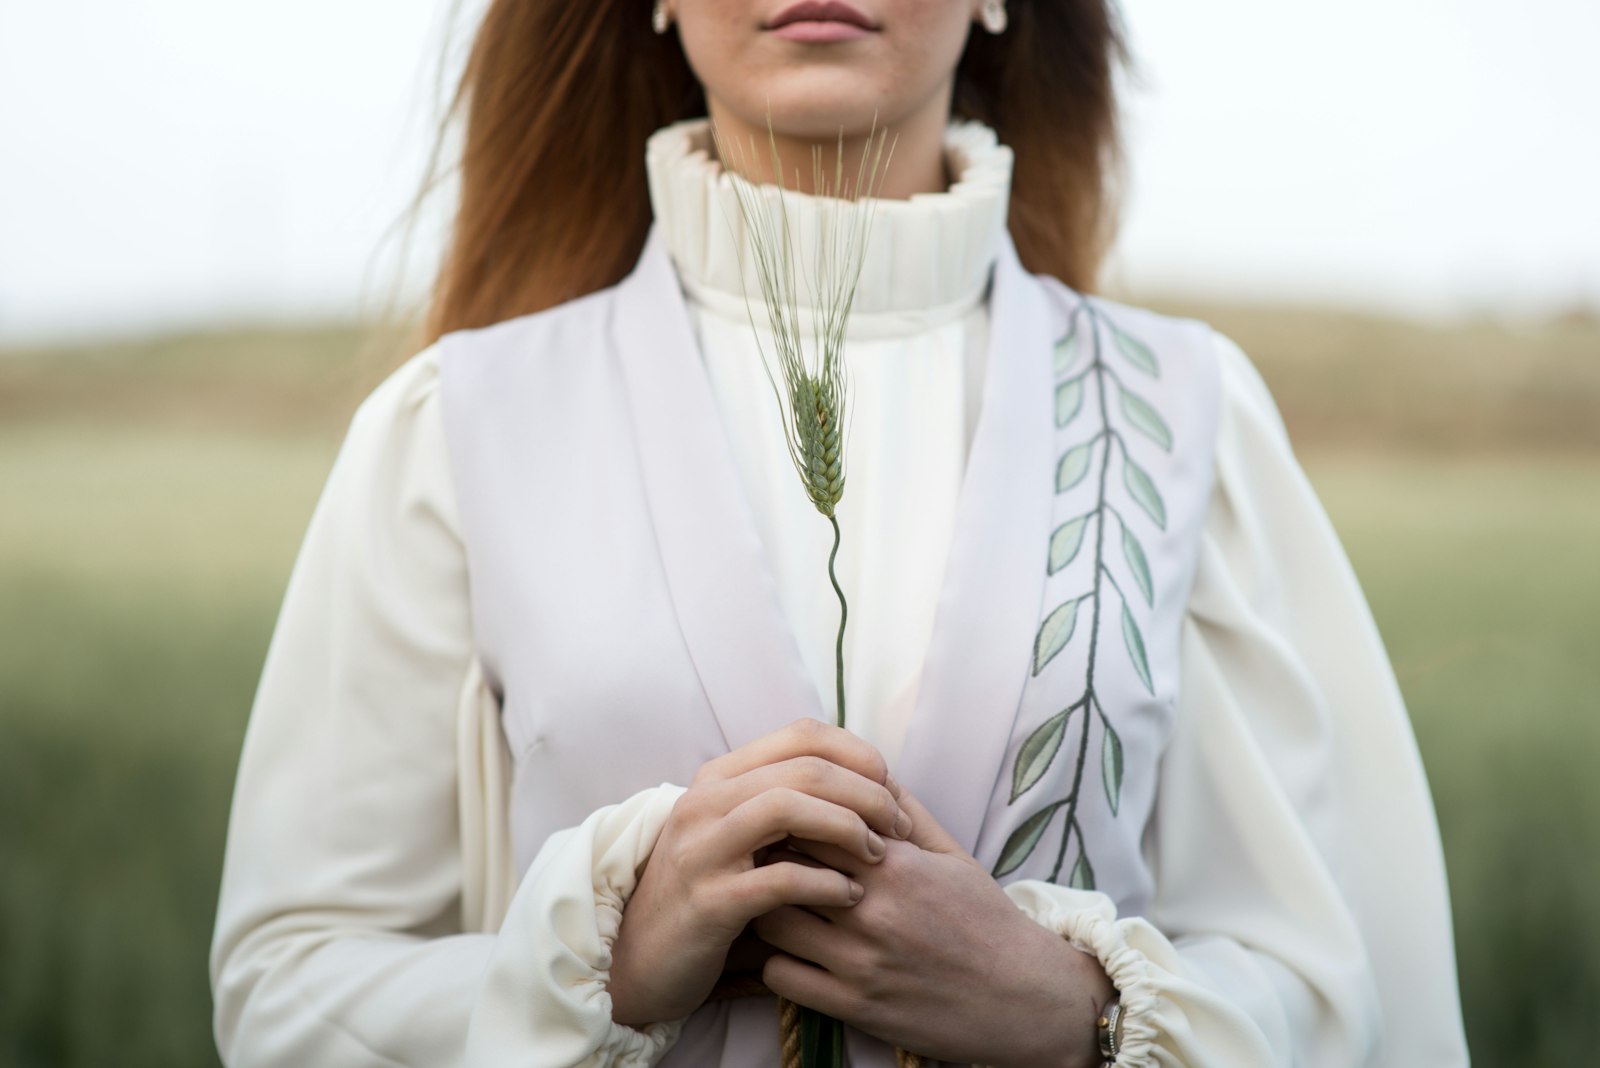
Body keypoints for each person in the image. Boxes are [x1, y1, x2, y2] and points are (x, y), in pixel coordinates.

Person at [208, 1, 1471, 1065]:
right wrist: (614, 959)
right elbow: (288, 987)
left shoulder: (1185, 417)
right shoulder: (457, 425)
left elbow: (1342, 990)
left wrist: (1068, 1010)